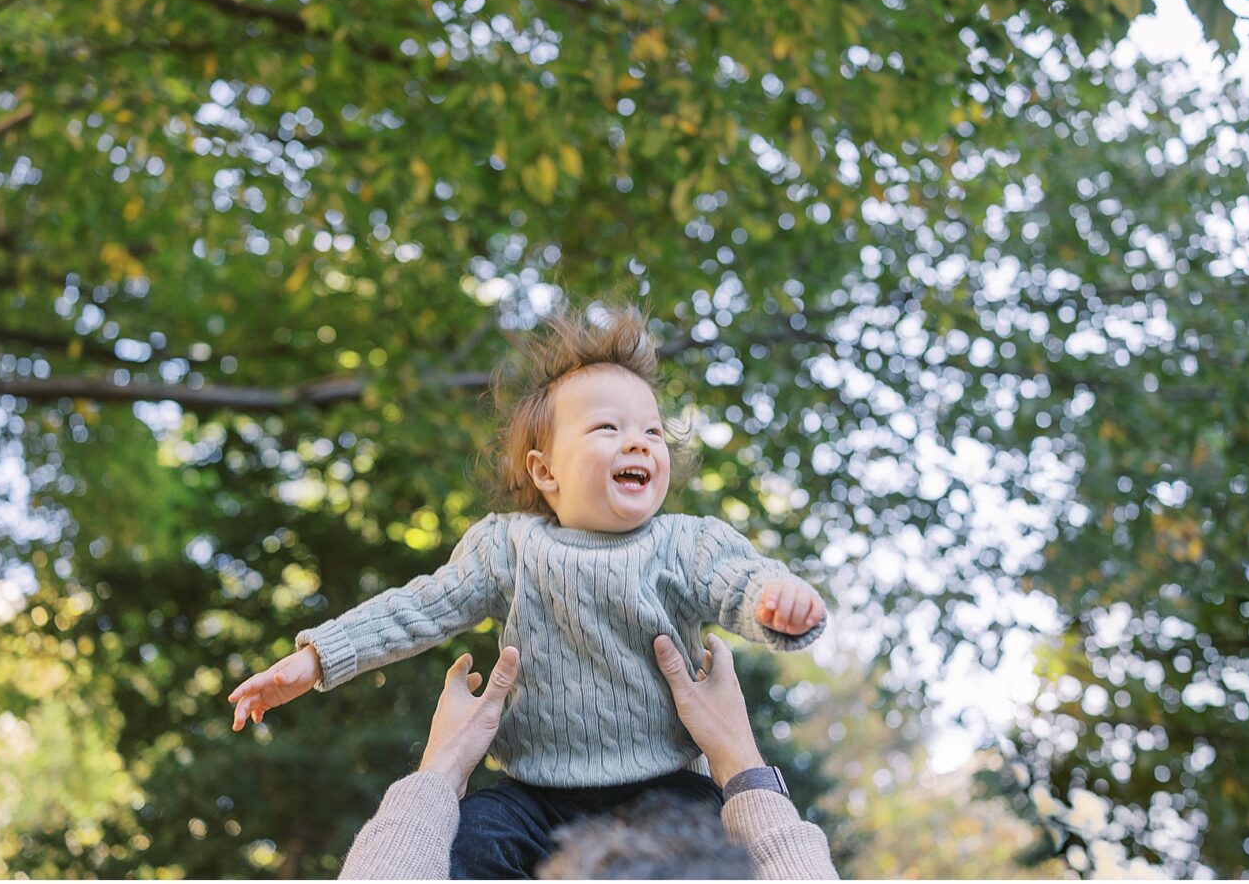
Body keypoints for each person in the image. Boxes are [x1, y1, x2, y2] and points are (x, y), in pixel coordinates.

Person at [227, 303, 829, 878]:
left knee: (716, 853)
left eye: (652, 431)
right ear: (546, 472)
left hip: (667, 785)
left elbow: (738, 583)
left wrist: (777, 602)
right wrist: (317, 658)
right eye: (608, 428)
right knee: (465, 844)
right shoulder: (508, 548)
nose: (640, 442)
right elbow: (421, 607)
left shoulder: (686, 543)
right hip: (533, 795)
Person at [337, 633, 839, 879]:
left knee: (469, 839)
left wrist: (439, 772)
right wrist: (739, 762)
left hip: (539, 797)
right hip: (669, 794)